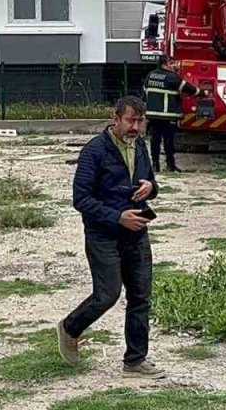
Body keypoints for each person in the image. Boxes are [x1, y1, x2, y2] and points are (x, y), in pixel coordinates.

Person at [57, 96, 163, 379]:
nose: (136, 127)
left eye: (140, 122)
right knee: (108, 295)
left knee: (141, 296)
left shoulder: (139, 145)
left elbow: (153, 182)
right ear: (115, 118)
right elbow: (80, 199)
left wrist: (150, 188)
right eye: (131, 120)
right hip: (103, 234)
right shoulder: (95, 151)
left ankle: (135, 360)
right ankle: (70, 327)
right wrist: (118, 217)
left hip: (137, 232)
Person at [142, 56, 199, 173]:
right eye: (171, 63)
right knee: (169, 141)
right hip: (168, 115)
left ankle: (155, 165)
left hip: (153, 115)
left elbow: (145, 94)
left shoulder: (150, 75)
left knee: (155, 140)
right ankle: (170, 165)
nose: (174, 65)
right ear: (164, 64)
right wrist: (202, 92)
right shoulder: (172, 77)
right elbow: (188, 88)